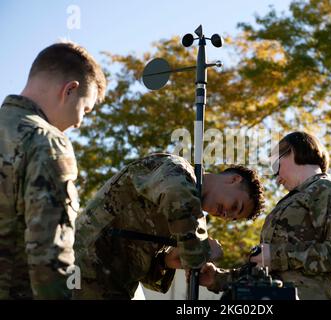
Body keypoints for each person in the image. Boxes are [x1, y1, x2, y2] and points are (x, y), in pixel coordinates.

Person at [72, 153, 264, 299]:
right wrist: (201, 251)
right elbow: (176, 197)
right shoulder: (177, 170)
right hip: (82, 271)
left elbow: (142, 270)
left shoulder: (190, 219)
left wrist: (166, 261)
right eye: (235, 207)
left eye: (232, 218)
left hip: (111, 285)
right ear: (234, 180)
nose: (226, 215)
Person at [198, 131, 331, 300]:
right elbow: (268, 267)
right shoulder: (289, 202)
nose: (277, 179)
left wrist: (277, 255)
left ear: (293, 151)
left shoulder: (329, 191)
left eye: (276, 167)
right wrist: (218, 278)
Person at [0, 42, 106, 300]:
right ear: (70, 90)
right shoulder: (46, 142)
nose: (80, 122)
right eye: (86, 109)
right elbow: (49, 258)